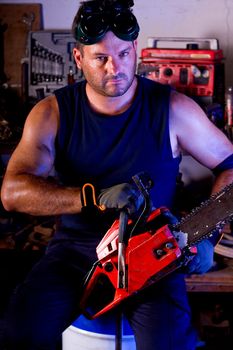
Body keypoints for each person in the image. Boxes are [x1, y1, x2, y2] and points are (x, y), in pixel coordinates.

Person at [1, 0, 233, 349]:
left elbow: (230, 166)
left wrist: (208, 233)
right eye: (101, 58)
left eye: (125, 54)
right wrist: (91, 197)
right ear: (79, 59)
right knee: (21, 332)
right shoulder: (52, 113)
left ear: (135, 48)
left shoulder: (173, 109)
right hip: (76, 252)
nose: (116, 67)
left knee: (168, 344)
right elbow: (13, 192)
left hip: (153, 251)